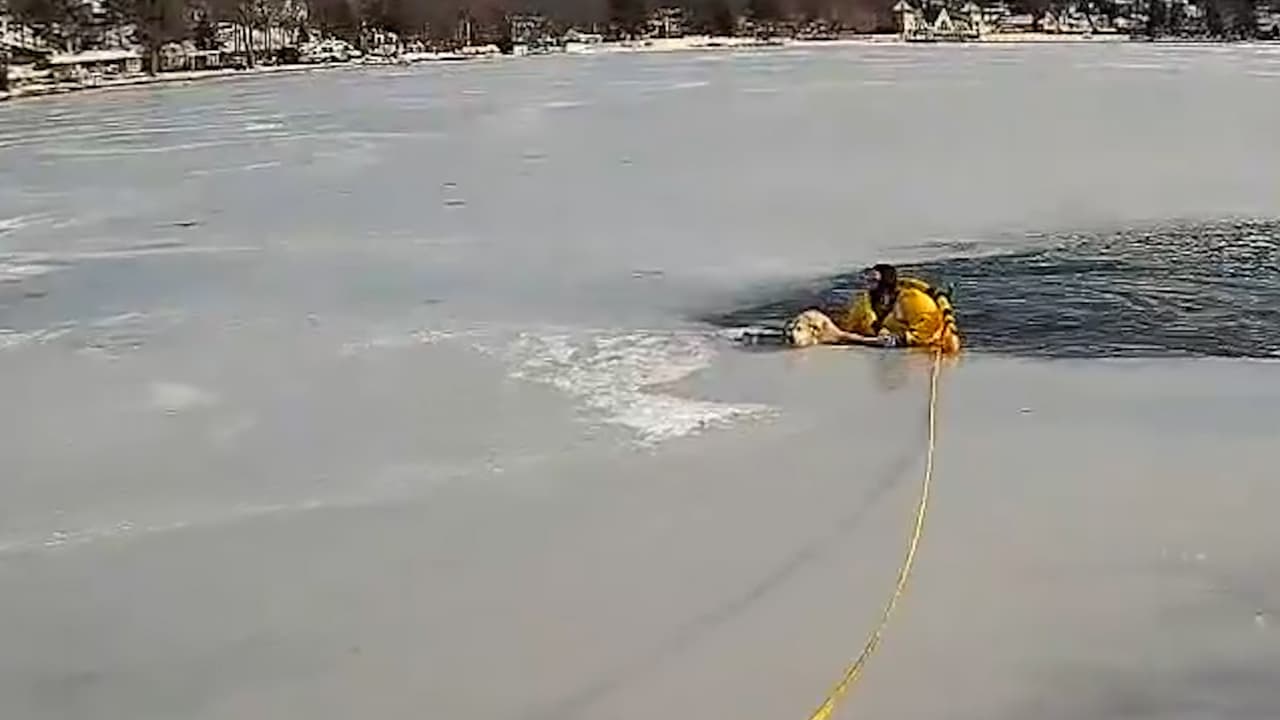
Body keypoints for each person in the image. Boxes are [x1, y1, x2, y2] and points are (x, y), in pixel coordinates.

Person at [784, 263, 962, 354]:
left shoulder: (914, 300)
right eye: (868, 280)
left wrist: (898, 340)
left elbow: (928, 329)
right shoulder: (864, 302)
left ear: (886, 283)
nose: (869, 285)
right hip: (881, 343)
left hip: (927, 349)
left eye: (874, 281)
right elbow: (850, 327)